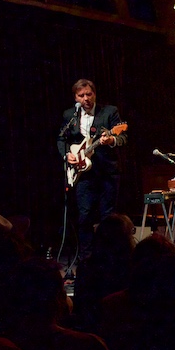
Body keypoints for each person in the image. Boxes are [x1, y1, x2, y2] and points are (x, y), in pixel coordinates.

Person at [57, 79, 127, 260]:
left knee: (108, 217)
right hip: (82, 173)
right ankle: (86, 259)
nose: (86, 98)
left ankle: (110, 257)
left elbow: (123, 137)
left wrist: (111, 140)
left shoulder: (110, 112)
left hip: (106, 172)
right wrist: (68, 155)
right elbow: (61, 139)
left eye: (89, 94)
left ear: (94, 94)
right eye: (81, 95)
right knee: (84, 216)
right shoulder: (69, 115)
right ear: (75, 97)